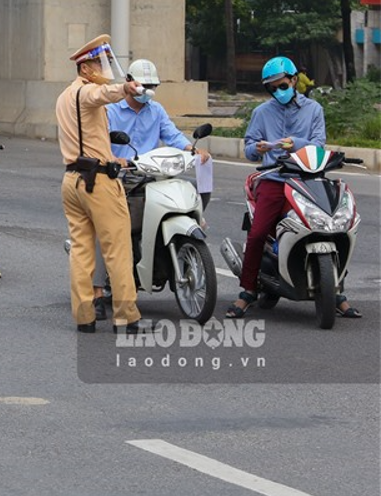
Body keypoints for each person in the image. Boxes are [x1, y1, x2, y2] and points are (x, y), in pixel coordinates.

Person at [225, 56, 360, 319]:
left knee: (337, 227)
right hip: (275, 179)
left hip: (310, 178)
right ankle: (247, 291)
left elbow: (319, 144)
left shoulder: (314, 110)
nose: (278, 91)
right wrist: (259, 148)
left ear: (294, 80)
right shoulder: (261, 113)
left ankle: (338, 291)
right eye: (272, 88)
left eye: (282, 85)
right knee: (258, 233)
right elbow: (250, 149)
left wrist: (294, 142)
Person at [86, 58, 212, 318]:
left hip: (153, 174)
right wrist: (114, 159)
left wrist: (192, 149)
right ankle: (97, 294)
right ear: (130, 83)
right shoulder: (110, 110)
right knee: (107, 232)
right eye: (144, 85)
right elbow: (100, 141)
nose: (148, 90)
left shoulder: (156, 110)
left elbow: (172, 134)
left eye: (152, 85)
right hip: (119, 178)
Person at [56, 34, 143, 333]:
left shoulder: (64, 96)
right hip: (98, 183)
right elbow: (100, 96)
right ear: (84, 69)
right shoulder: (86, 93)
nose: (104, 68)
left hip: (73, 179)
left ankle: (84, 317)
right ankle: (127, 317)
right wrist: (124, 89)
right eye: (99, 63)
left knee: (82, 250)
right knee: (117, 249)